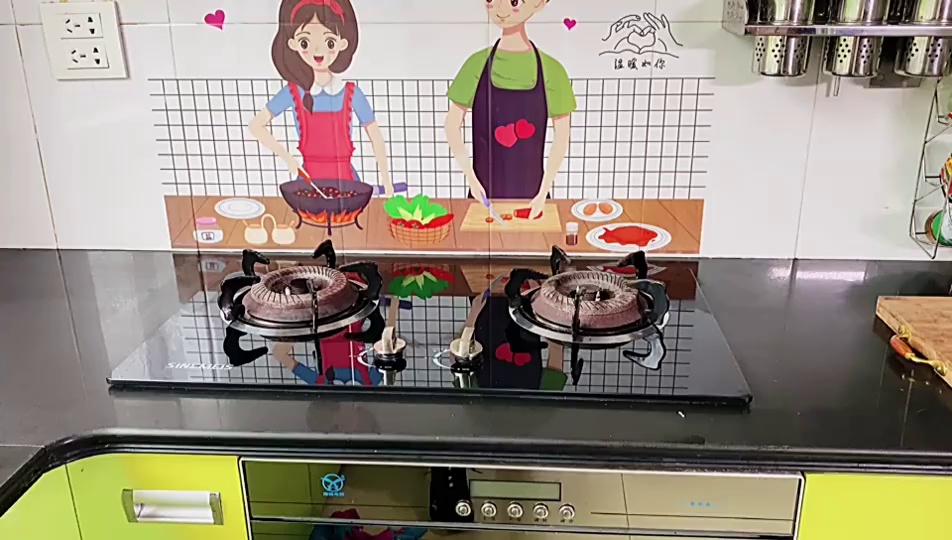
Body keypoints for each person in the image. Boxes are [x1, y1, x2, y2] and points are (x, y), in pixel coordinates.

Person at [445, 0, 576, 219]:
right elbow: (451, 126)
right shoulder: (476, 64)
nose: (501, 9)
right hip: (483, 196)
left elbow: (562, 137)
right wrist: (471, 179)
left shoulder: (553, 70)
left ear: (539, 3)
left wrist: (543, 192)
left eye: (514, 1)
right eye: (491, 0)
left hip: (533, 197)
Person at [249, 0, 394, 195]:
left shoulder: (352, 93)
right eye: (305, 42)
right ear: (292, 44)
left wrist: (386, 180)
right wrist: (287, 157)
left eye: (329, 43)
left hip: (347, 184)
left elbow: (376, 137)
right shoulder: (293, 92)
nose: (318, 52)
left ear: (343, 43)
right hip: (308, 184)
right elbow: (256, 125)